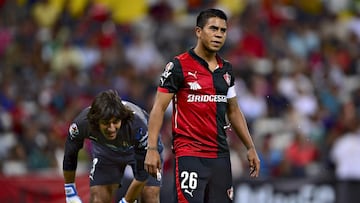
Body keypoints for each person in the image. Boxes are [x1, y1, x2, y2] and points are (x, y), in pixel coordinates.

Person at [144, 8, 260, 203]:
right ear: (198, 32)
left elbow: (233, 110)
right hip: (190, 154)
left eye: (223, 30)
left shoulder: (227, 69)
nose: (218, 34)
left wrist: (250, 147)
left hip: (221, 156)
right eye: (213, 28)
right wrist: (152, 148)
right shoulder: (178, 66)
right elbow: (158, 108)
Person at [62, 89, 163, 203]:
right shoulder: (82, 124)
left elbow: (143, 174)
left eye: (115, 122)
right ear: (96, 121)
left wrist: (127, 200)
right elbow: (70, 153)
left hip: (141, 149)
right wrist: (70, 192)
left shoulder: (137, 126)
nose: (111, 128)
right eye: (106, 123)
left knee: (150, 195)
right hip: (106, 151)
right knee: (98, 199)